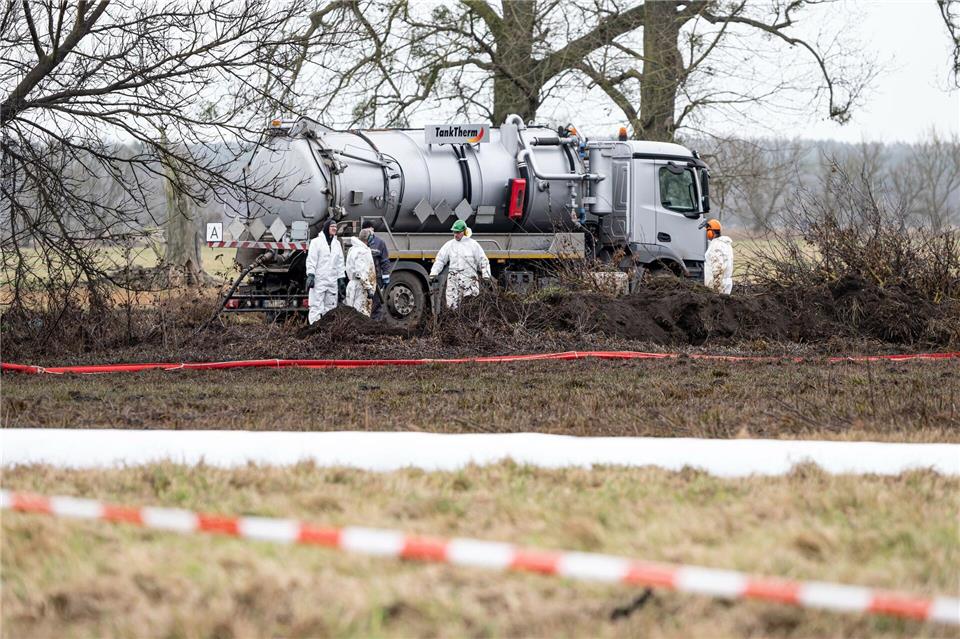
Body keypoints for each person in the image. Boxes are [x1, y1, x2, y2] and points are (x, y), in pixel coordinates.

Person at [429, 219, 491, 309]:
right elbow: (440, 260)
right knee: (452, 305)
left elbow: (483, 260)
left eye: (458, 232)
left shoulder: (473, 245)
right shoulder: (449, 245)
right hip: (453, 280)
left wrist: (486, 275)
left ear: (464, 232)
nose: (455, 235)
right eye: (454, 232)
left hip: (469, 280)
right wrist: (434, 273)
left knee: (470, 306)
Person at [305, 218, 345, 323]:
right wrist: (311, 275)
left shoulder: (337, 244)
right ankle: (314, 330)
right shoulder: (316, 242)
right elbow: (311, 260)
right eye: (332, 227)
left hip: (332, 281)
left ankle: (327, 332)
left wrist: (341, 278)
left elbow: (340, 263)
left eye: (336, 227)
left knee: (331, 308)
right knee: (316, 306)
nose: (335, 229)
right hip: (319, 280)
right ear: (327, 228)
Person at [361, 220, 392, 319]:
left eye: (369, 229)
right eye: (365, 229)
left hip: (376, 278)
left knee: (377, 304)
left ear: (373, 229)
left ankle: (376, 324)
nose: (368, 231)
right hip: (363, 278)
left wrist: (386, 276)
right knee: (363, 303)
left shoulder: (380, 243)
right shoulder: (360, 243)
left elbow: (385, 261)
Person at [344, 229, 377, 316]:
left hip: (353, 284)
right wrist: (368, 287)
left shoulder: (353, 249)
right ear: (368, 238)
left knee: (351, 314)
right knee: (361, 315)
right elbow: (360, 272)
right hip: (361, 288)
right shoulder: (363, 252)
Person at [702, 218, 733, 295]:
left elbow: (717, 269)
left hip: (718, 286)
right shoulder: (725, 244)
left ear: (710, 232)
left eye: (707, 231)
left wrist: (716, 288)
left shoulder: (716, 246)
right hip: (724, 284)